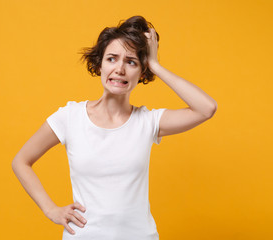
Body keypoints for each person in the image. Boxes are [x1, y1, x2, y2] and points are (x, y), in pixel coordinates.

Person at [12, 15, 217, 240]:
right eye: (112, 59)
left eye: (131, 62)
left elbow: (206, 108)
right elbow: (21, 161)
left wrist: (156, 64)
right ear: (99, 64)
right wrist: (51, 209)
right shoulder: (70, 117)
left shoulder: (147, 122)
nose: (119, 69)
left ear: (142, 72)